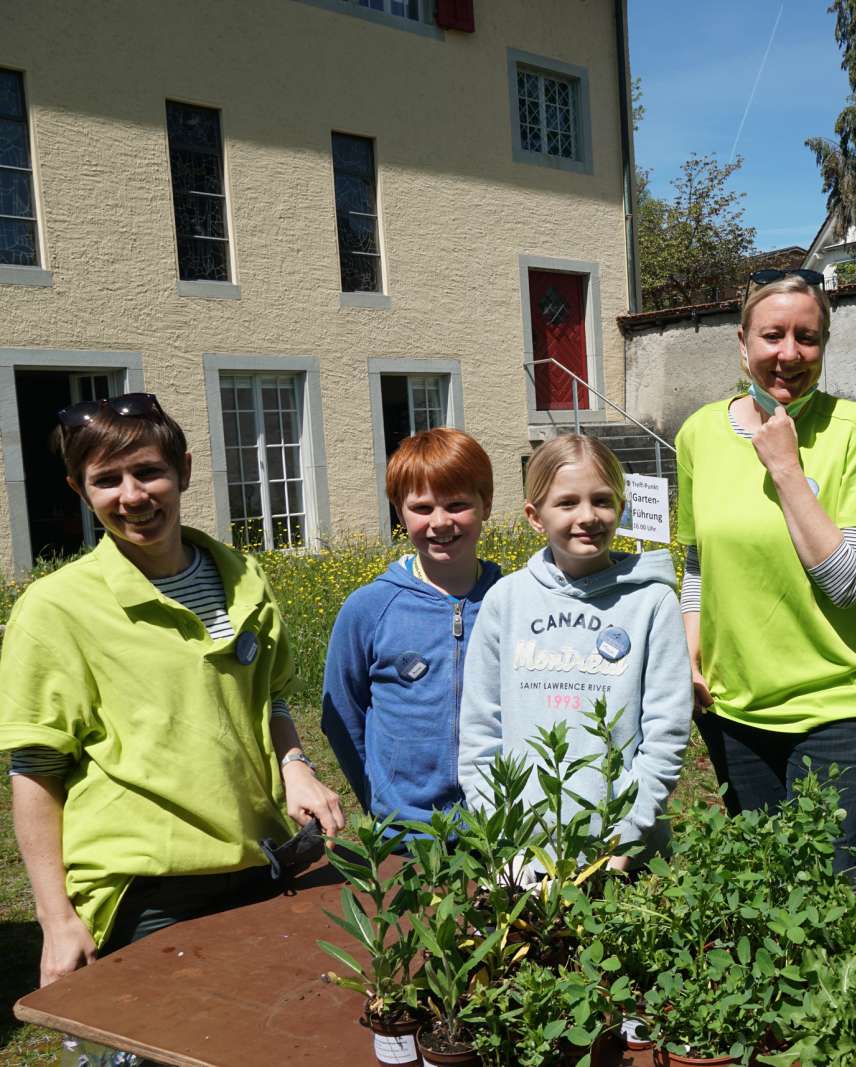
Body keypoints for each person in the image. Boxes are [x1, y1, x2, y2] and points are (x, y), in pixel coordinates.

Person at [0, 393, 344, 993]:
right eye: (106, 480)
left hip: (257, 861)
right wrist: (55, 920)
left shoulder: (241, 576)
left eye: (148, 471)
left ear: (183, 469)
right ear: (79, 491)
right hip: (145, 886)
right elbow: (35, 768)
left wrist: (295, 764)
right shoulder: (56, 608)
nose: (132, 496)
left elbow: (270, 700)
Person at [675, 270, 856, 872]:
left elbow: (848, 580)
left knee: (824, 892)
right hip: (736, 712)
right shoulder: (699, 433)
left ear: (824, 345)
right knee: (766, 886)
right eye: (772, 335)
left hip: (837, 706)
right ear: (742, 342)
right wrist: (690, 657)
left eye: (807, 337)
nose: (788, 354)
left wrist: (784, 467)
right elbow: (700, 561)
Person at [457, 434, 691, 866]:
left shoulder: (651, 603)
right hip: (524, 853)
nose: (588, 516)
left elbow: (666, 733)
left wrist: (626, 835)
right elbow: (479, 732)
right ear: (535, 516)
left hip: (624, 852)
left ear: (621, 507)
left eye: (602, 500)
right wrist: (502, 837)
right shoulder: (505, 601)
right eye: (567, 503)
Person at [321, 428, 502, 824]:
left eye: (457, 504)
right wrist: (379, 795)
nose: (440, 522)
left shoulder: (511, 601)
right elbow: (342, 714)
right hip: (404, 830)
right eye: (422, 508)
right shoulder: (369, 608)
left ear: (485, 504)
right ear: (399, 511)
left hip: (501, 826)